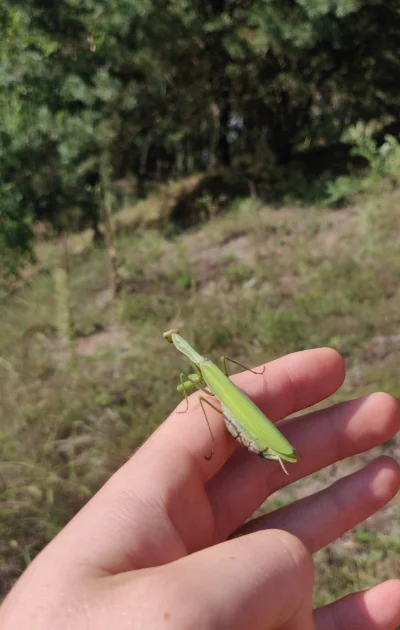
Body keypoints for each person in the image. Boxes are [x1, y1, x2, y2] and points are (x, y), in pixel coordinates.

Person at [1, 347, 400, 629]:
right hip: (235, 409)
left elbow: (205, 400)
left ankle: (271, 446)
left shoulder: (206, 372)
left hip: (246, 424)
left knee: (208, 403)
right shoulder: (208, 369)